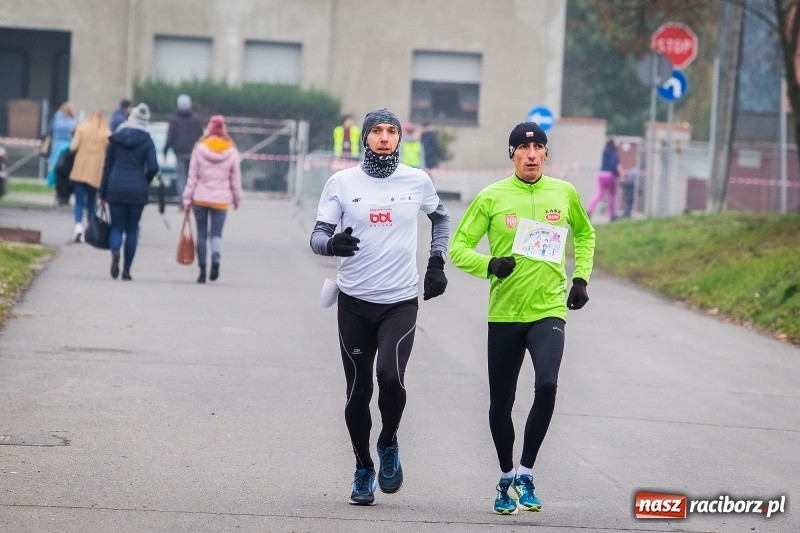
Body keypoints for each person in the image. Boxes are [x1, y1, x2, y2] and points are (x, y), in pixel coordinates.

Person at [450, 122, 595, 515]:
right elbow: (458, 249)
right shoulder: (491, 197)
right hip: (505, 314)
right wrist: (490, 264)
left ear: (546, 154)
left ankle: (526, 471)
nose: (531, 155)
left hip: (548, 309)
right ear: (511, 153)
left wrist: (580, 276)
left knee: (547, 385)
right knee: (502, 402)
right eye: (523, 149)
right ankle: (504, 477)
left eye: (539, 149)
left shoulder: (563, 193)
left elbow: (584, 234)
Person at [309, 108, 450, 506]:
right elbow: (318, 235)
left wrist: (436, 262)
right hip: (354, 302)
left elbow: (441, 219)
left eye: (391, 131)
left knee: (389, 377)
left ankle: (388, 442)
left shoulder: (417, 180)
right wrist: (332, 245)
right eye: (377, 131)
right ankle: (363, 467)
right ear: (366, 138)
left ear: (399, 138)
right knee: (357, 390)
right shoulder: (341, 183)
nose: (384, 138)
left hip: (399, 302)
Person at [98, 103, 159, 281]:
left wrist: (102, 192)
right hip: (137, 190)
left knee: (116, 226)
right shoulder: (147, 139)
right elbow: (154, 166)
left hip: (115, 187)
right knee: (132, 230)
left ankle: (115, 251)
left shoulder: (115, 138)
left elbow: (107, 168)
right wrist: (145, 180)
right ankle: (126, 270)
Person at [182, 115, 243, 284]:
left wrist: (187, 198)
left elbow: (192, 177)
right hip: (221, 200)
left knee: (201, 234)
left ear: (209, 129)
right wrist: (237, 198)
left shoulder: (199, 148)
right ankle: (216, 257)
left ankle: (202, 271)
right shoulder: (231, 151)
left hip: (200, 198)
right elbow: (235, 179)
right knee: (216, 234)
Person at [69, 111, 111, 242]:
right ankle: (91, 229)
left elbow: (73, 147)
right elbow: (109, 152)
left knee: (79, 201)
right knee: (92, 202)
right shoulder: (106, 133)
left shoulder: (81, 129)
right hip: (96, 173)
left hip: (80, 170)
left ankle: (78, 226)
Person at [165, 94, 205, 199]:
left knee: (181, 178)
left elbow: (170, 137)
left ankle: (183, 201)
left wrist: (165, 151)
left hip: (179, 153)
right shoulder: (196, 119)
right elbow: (201, 137)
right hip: (193, 153)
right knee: (192, 177)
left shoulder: (174, 120)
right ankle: (192, 199)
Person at [586, 138, 621, 221]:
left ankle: (589, 210)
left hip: (601, 174)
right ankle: (612, 215)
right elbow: (614, 164)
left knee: (599, 193)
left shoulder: (604, 150)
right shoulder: (614, 152)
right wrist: (617, 174)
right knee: (612, 195)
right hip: (610, 175)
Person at [46, 102, 78, 194]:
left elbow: (50, 131)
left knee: (54, 169)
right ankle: (63, 192)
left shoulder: (55, 120)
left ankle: (54, 186)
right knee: (64, 171)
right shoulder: (73, 122)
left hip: (55, 149)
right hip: (67, 150)